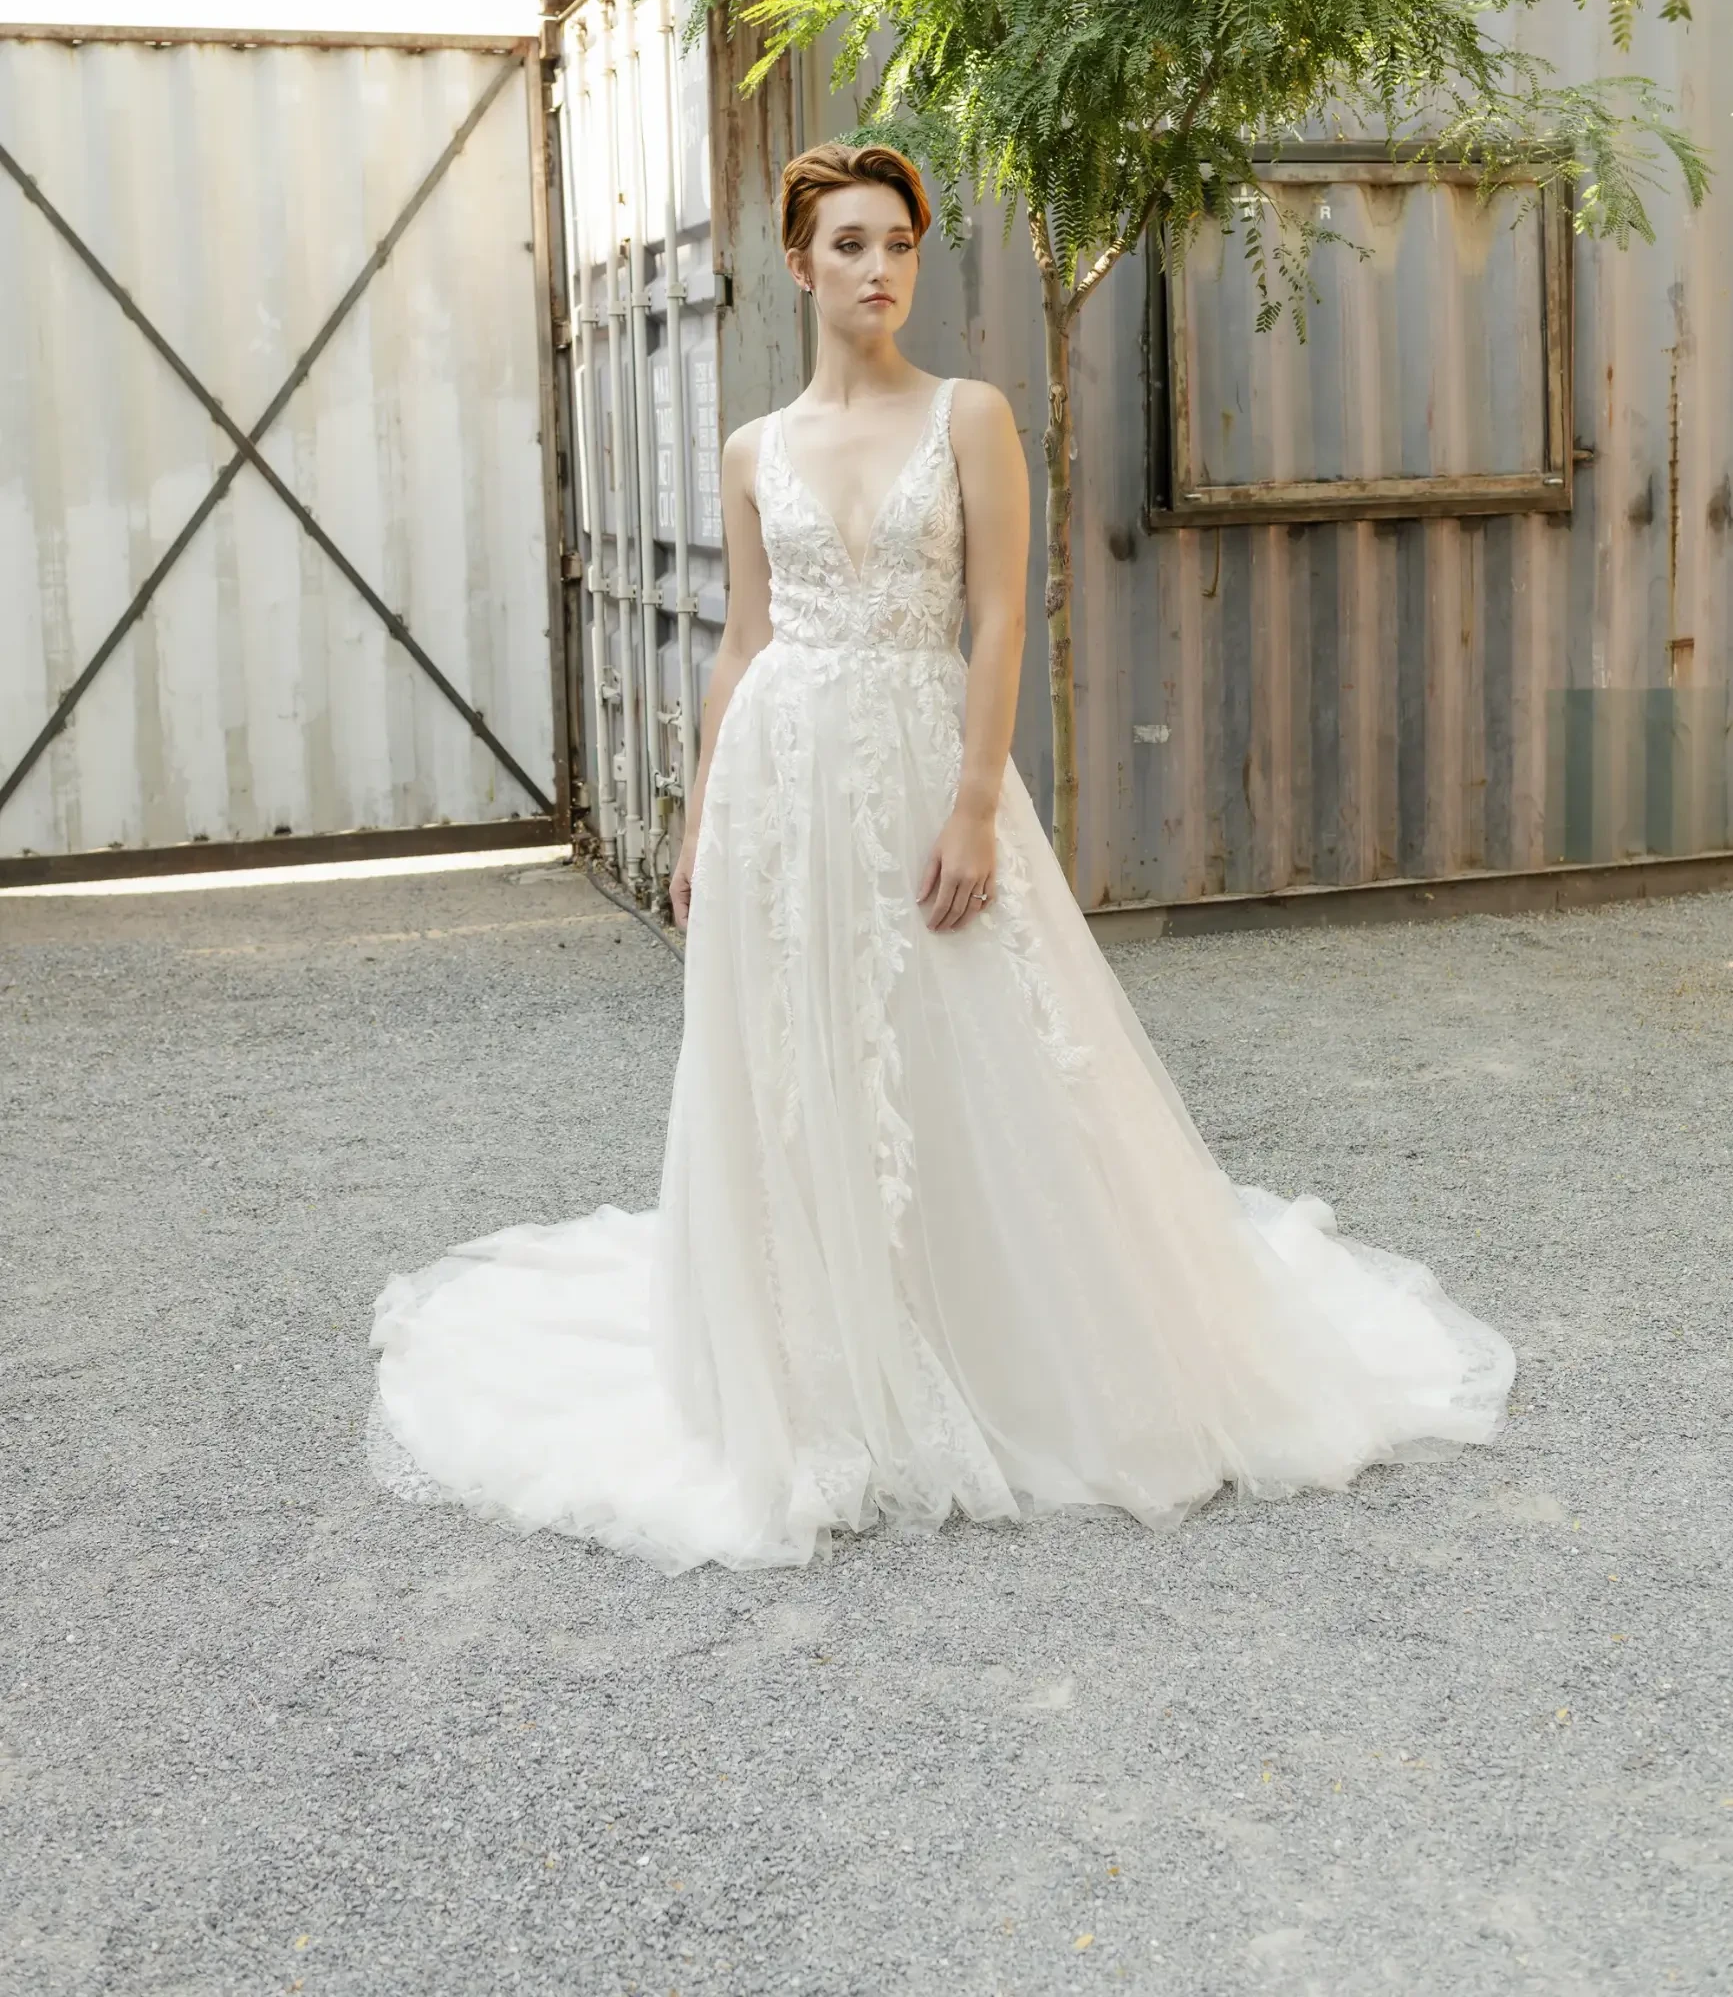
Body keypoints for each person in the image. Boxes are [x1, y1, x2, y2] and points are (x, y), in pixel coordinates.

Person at [368, 141, 1514, 1574]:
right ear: (800, 264)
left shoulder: (968, 416)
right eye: (850, 245)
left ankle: (998, 1336)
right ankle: (816, 1360)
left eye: (899, 244)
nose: (879, 270)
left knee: (969, 1036)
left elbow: (996, 619)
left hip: (922, 761)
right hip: (783, 777)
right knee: (795, 1054)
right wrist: (705, 806)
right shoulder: (752, 449)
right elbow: (745, 641)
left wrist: (976, 802)